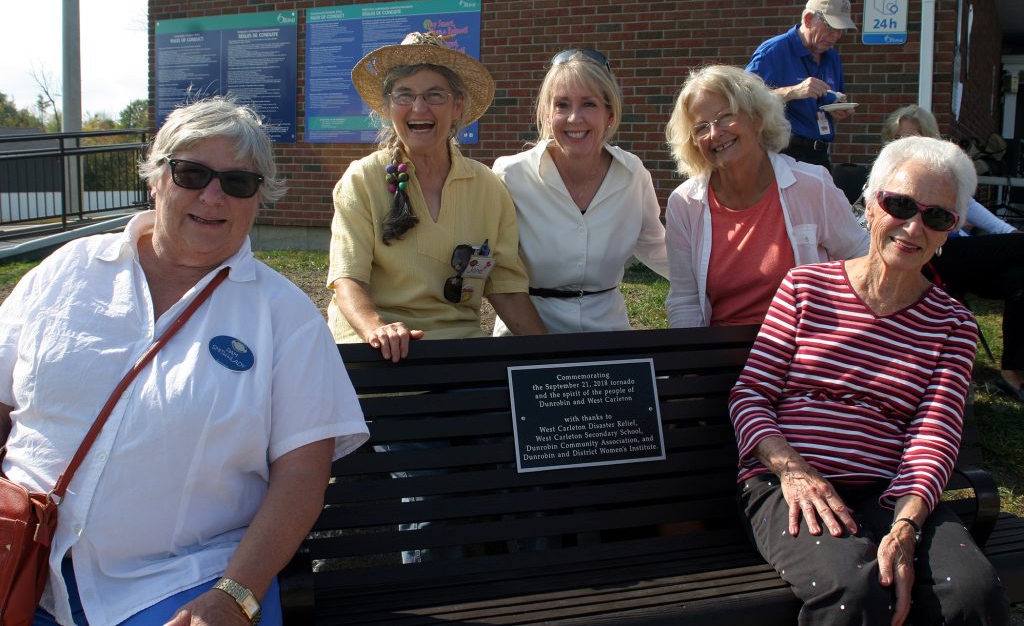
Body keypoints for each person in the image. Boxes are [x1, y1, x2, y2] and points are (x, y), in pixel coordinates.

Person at [0, 97, 369, 625]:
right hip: (22, 566)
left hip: (182, 586)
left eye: (238, 182)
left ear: (259, 199)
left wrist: (236, 595)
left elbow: (303, 475)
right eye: (191, 173)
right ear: (156, 179)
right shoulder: (66, 271)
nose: (213, 196)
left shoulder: (283, 314)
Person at [729, 135, 1009, 625]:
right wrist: (793, 472)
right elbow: (751, 394)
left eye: (936, 216)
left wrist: (905, 525)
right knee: (853, 593)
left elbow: (934, 435)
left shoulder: (953, 325)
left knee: (972, 593)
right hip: (788, 482)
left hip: (888, 488)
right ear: (870, 205)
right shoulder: (804, 288)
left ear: (951, 231)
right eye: (899, 204)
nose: (913, 225)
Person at [329, 31, 546, 361]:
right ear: (388, 106)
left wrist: (555, 358)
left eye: (434, 95)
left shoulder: (488, 187)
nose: (419, 107)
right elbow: (348, 280)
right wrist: (377, 329)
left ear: (458, 105)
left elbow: (507, 291)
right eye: (404, 95)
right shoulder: (363, 179)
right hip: (374, 351)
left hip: (457, 349)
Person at [663, 64, 867, 329]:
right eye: (701, 127)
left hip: (804, 350)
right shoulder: (684, 203)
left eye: (725, 116)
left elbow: (861, 257)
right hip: (720, 354)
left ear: (757, 119)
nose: (715, 133)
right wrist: (689, 365)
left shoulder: (811, 185)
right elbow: (685, 300)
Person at [491, 49, 668, 334]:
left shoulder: (632, 174)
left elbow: (656, 248)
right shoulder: (511, 176)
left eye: (589, 104)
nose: (575, 118)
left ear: (610, 114)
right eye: (562, 105)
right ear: (547, 114)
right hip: (526, 335)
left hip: (607, 335)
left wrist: (721, 280)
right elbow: (493, 267)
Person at [882, 104, 1024, 401]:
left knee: (1019, 281)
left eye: (915, 138)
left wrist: (1009, 234)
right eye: (900, 139)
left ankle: (1012, 373)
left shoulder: (944, 176)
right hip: (932, 257)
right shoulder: (891, 176)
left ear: (929, 137)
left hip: (961, 259)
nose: (908, 146)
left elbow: (980, 214)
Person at [746, 0, 857, 170]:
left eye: (841, 30)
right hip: (783, 154)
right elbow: (744, 100)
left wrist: (839, 110)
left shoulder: (832, 57)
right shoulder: (774, 51)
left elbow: (830, 100)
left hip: (819, 154)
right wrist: (793, 91)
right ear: (808, 19)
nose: (836, 36)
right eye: (830, 27)